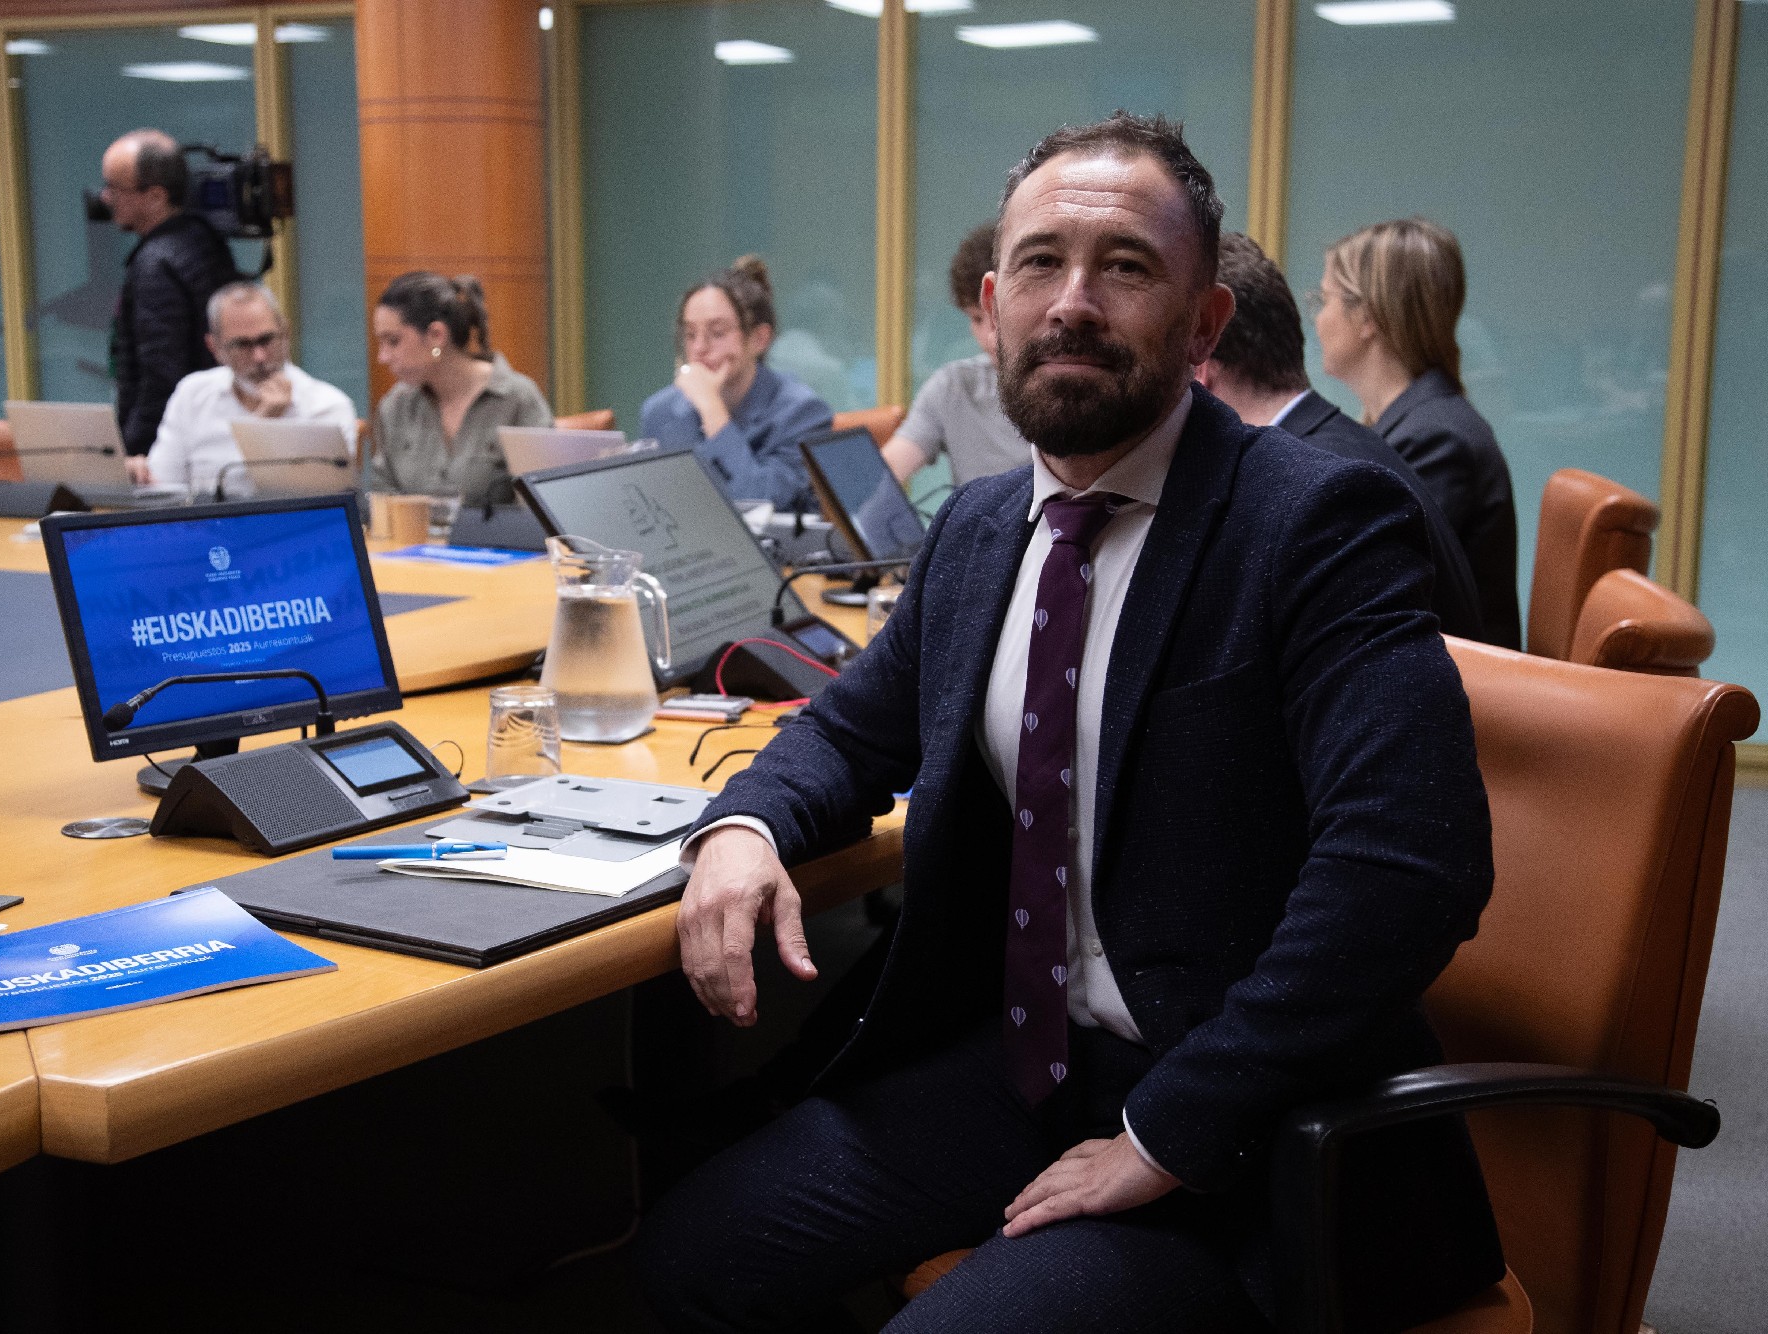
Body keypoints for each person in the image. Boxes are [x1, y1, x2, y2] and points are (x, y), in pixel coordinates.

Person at [637, 115, 1504, 1333]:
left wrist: (1169, 1130)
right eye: (1040, 263)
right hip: (1023, 1067)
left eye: (1127, 266)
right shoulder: (983, 528)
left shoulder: (1317, 521)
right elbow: (847, 730)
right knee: (688, 1249)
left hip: (1239, 1120)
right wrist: (741, 831)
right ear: (990, 307)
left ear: (1203, 323)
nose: (1073, 302)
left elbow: (1408, 865)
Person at [1195, 232, 1486, 641]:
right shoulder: (1331, 450)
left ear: (1200, 370)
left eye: (1325, 298)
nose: (1317, 316)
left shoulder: (1321, 490)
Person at [1312, 218, 1521, 650]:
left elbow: (1375, 591)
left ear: (1367, 316)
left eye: (1324, 298)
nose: (1317, 319)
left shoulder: (1436, 441)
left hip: (1463, 696)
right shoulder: (1423, 422)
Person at [100, 129, 239, 484]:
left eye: (115, 188)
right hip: (210, 434)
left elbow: (161, 374)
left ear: (156, 196)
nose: (105, 198)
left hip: (166, 456)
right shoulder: (207, 242)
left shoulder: (156, 264)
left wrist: (132, 456)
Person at [639, 256, 833, 510]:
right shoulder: (660, 411)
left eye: (717, 333)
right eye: (689, 334)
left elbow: (757, 504)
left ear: (759, 339)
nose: (699, 348)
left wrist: (712, 408)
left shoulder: (802, 413)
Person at [144, 281, 358, 499]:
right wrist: (260, 420)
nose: (259, 357)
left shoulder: (327, 406)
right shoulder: (192, 394)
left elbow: (328, 507)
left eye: (267, 340)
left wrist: (267, 428)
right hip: (206, 529)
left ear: (286, 333)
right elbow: (161, 488)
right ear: (215, 348)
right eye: (242, 345)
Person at [366, 270, 552, 506]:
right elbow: (383, 505)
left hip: (493, 543)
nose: (383, 357)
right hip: (412, 543)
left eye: (393, 341)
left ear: (436, 335)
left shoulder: (517, 399)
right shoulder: (394, 407)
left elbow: (539, 512)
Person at [883, 223, 1031, 486]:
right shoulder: (953, 385)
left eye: (998, 315)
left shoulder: (1068, 383)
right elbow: (887, 471)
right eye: (976, 318)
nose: (990, 337)